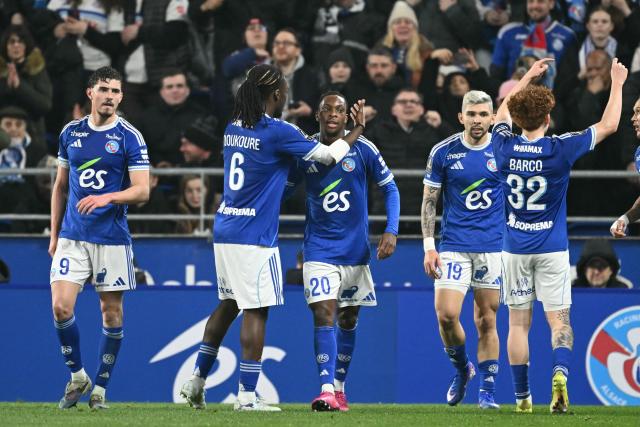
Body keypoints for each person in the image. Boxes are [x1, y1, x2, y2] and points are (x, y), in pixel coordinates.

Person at [179, 63, 366, 411]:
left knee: (230, 302)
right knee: (256, 309)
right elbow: (326, 156)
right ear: (278, 94)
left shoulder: (234, 126)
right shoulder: (278, 130)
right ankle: (247, 396)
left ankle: (196, 379)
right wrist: (355, 130)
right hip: (254, 235)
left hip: (225, 227)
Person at [492, 57, 627, 413]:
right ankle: (561, 375)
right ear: (548, 118)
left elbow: (500, 113)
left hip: (514, 248)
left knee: (518, 324)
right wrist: (617, 82)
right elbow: (610, 124)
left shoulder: (502, 146)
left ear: (518, 119)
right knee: (560, 321)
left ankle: (522, 398)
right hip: (552, 248)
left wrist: (526, 77)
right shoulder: (559, 148)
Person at [285, 92, 399, 411]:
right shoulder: (306, 151)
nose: (333, 114)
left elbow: (390, 188)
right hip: (319, 250)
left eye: (339, 110)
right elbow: (283, 188)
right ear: (318, 116)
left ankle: (339, 388)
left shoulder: (365, 149)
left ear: (347, 118)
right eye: (327, 109)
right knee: (324, 312)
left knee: (348, 318)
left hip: (355, 253)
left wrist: (391, 229)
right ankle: (325, 389)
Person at [49, 66, 150, 410]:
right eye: (104, 89)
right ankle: (77, 375)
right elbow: (60, 187)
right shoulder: (70, 132)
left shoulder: (129, 137)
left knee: (111, 314)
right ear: (90, 92)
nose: (110, 96)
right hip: (72, 237)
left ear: (121, 97)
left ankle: (101, 390)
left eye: (116, 91)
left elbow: (142, 191)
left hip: (111, 238)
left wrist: (107, 198)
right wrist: (54, 234)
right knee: (61, 307)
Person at [422, 90, 503, 409]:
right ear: (461, 117)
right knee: (446, 315)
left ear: (493, 117)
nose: (478, 120)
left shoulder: (503, 149)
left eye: (484, 114)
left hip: (492, 247)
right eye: (472, 114)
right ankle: (461, 368)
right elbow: (430, 201)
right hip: (454, 245)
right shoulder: (443, 151)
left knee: (487, 320)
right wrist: (429, 246)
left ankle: (487, 391)